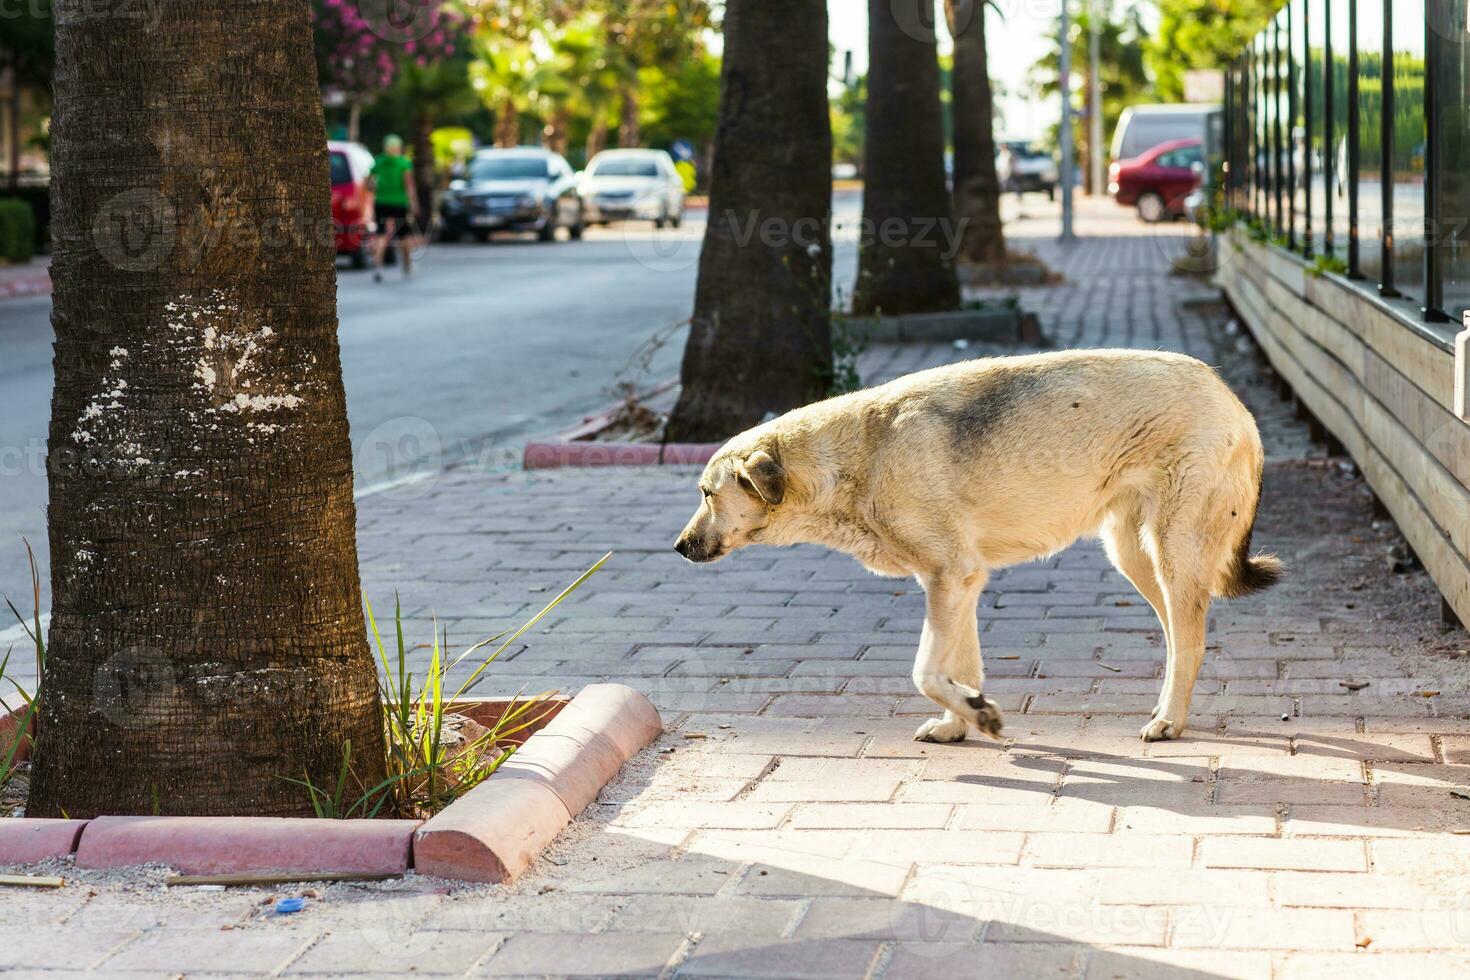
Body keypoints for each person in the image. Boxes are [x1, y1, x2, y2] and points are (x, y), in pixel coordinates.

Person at [369, 134, 419, 281]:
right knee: (404, 235)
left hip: (381, 202)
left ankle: (378, 267)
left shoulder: (378, 161)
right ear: (398, 147)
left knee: (380, 234)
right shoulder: (404, 163)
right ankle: (407, 265)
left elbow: (368, 183)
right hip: (399, 202)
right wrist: (414, 202)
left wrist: (375, 189)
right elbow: (409, 185)